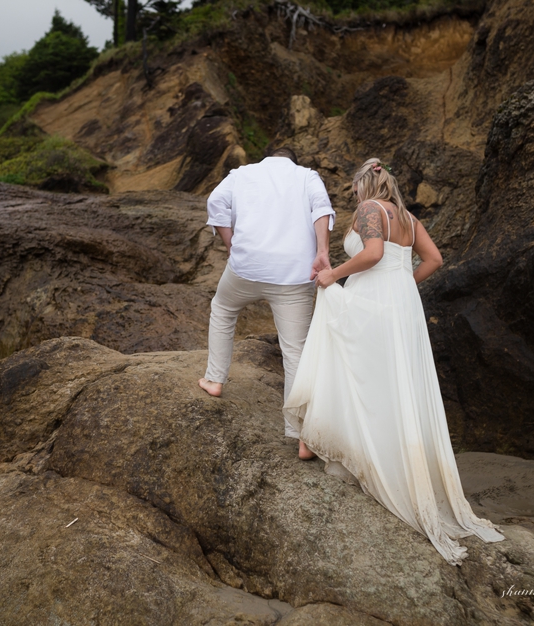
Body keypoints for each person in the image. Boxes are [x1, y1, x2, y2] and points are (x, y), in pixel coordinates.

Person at [285, 158, 504, 565]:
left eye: (354, 192)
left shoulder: (371, 210)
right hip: (402, 305)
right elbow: (434, 260)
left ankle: (323, 442)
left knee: (353, 364)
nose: (354, 199)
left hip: (375, 300)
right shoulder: (408, 217)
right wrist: (402, 284)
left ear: (364, 188)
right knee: (392, 382)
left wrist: (335, 276)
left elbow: (371, 253)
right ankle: (343, 444)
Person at [200, 146, 335, 451]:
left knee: (223, 309)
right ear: (293, 161)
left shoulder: (243, 173)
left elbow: (215, 202)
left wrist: (230, 244)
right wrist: (322, 252)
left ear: (269, 157)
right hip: (295, 273)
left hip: (247, 267)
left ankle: (215, 380)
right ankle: (302, 435)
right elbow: (322, 209)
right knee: (294, 352)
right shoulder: (307, 176)